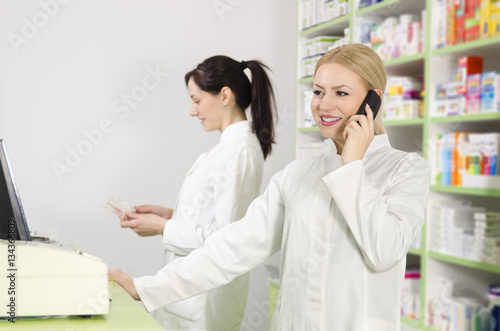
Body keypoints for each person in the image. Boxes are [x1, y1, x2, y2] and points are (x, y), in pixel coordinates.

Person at [110, 44, 431, 330]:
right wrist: (146, 288)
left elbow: (384, 251)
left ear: (372, 100)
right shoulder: (297, 175)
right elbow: (233, 247)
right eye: (318, 92)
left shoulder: (406, 170)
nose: (324, 104)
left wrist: (353, 167)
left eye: (341, 93)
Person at [114, 55, 277, 330]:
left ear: (224, 95)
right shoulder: (225, 148)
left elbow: (225, 240)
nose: (193, 111)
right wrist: (169, 214)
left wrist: (164, 227)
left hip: (204, 303)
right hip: (188, 298)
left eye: (197, 100)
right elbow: (212, 214)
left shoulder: (239, 151)